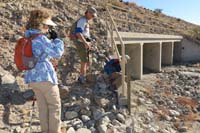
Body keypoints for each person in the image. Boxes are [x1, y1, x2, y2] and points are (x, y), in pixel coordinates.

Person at [24, 9, 64, 133]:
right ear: (42, 24)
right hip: (45, 77)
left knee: (43, 107)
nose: (48, 28)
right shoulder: (41, 38)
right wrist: (57, 39)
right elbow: (57, 53)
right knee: (54, 106)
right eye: (47, 25)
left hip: (32, 77)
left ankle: (45, 130)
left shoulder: (27, 36)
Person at [74, 7, 97, 84]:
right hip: (82, 43)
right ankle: (81, 77)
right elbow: (78, 33)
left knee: (87, 60)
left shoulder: (86, 21)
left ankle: (84, 76)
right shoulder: (82, 20)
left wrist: (88, 43)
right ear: (88, 13)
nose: (92, 17)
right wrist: (85, 43)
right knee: (84, 61)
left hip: (85, 42)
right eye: (92, 15)